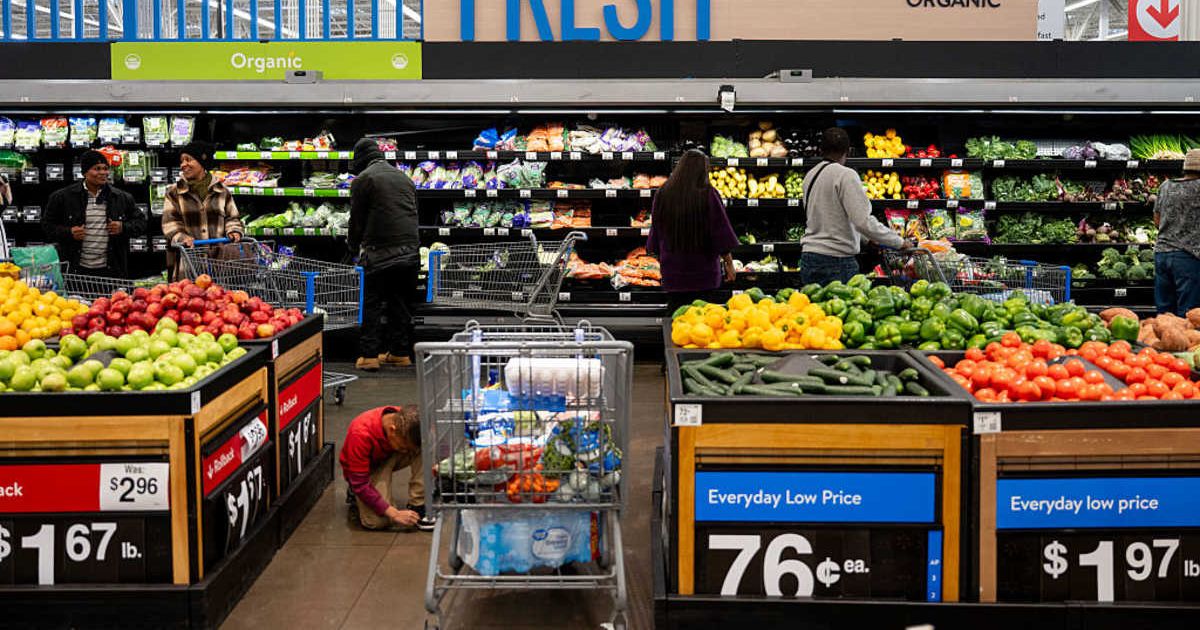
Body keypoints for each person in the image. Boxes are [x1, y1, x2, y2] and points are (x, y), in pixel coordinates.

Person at [801, 127, 909, 285]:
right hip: (837, 262)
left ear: (821, 150)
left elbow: (829, 216)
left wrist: (866, 239)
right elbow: (862, 220)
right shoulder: (846, 175)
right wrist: (899, 242)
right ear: (848, 150)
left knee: (815, 309)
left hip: (809, 259)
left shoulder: (810, 176)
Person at [348, 137, 419, 372]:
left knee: (372, 302)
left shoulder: (364, 179)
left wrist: (352, 247)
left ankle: (369, 356)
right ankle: (400, 353)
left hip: (380, 252)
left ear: (361, 160)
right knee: (400, 303)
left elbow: (357, 221)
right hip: (410, 251)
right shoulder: (404, 178)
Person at [646, 149, 739, 315]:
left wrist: (661, 257)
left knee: (676, 317)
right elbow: (720, 232)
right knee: (702, 322)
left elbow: (656, 231)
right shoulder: (708, 194)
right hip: (704, 273)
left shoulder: (663, 193)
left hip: (673, 273)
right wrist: (729, 264)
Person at [41, 150, 146, 277]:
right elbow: (47, 226)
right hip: (76, 271)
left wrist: (123, 227)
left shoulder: (121, 197)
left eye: (105, 168)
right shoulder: (62, 197)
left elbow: (141, 223)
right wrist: (68, 232)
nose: (103, 173)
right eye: (97, 169)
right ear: (85, 172)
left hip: (111, 271)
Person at [339, 405, 435, 531]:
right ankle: (354, 493)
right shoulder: (360, 434)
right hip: (368, 469)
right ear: (392, 430)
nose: (406, 452)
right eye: (403, 448)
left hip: (388, 454)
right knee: (377, 521)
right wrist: (394, 513)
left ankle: (418, 504)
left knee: (426, 442)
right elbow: (361, 484)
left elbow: (426, 435)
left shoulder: (405, 420)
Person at [161, 140, 244, 280]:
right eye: (181, 161)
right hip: (187, 265)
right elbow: (170, 224)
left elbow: (232, 217)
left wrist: (234, 230)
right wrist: (182, 237)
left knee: (217, 299)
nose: (183, 165)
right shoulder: (174, 193)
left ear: (202, 161)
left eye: (188, 160)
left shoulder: (222, 191)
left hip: (218, 264)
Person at [1153, 149, 1200, 316]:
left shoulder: (1165, 186)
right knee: (1188, 314)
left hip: (1162, 255)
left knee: (1164, 314)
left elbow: (1157, 221)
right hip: (1189, 257)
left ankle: (1162, 342)